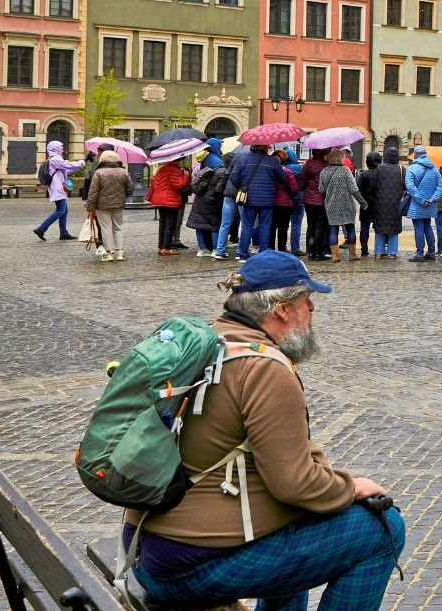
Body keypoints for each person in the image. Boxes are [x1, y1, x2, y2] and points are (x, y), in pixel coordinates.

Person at [124, 251, 404, 610]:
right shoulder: (264, 367)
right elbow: (295, 484)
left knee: (294, 524)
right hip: (187, 571)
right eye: (307, 300)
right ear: (282, 309)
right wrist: (351, 488)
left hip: (144, 549)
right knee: (384, 530)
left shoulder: (207, 340)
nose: (312, 310)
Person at [231, 145, 285, 260]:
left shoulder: (243, 159)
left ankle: (243, 254)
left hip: (249, 198)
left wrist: (243, 186)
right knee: (265, 226)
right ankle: (263, 253)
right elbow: (282, 177)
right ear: (265, 148)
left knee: (247, 226)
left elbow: (234, 177)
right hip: (267, 199)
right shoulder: (272, 161)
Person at [318, 148, 366, 262]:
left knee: (333, 229)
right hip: (347, 205)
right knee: (350, 228)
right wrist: (363, 203)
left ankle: (335, 255)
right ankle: (352, 254)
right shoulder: (345, 171)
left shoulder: (324, 171)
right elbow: (354, 189)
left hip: (331, 205)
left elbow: (321, 189)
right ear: (340, 159)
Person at [86, 150, 134, 261]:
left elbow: (93, 192)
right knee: (118, 227)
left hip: (102, 205)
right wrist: (122, 197)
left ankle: (108, 253)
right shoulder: (123, 172)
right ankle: (120, 252)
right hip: (118, 204)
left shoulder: (99, 172)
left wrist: (90, 207)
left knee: (105, 228)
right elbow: (130, 189)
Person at [34, 140, 83, 242]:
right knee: (60, 210)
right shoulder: (55, 159)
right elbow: (68, 165)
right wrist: (82, 162)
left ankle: (64, 233)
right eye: (61, 147)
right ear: (55, 148)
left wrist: (82, 163)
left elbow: (67, 169)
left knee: (64, 210)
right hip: (57, 187)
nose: (62, 148)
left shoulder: (54, 159)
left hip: (58, 187)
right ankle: (41, 229)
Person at [404, 146, 442, 262]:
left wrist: (421, 200)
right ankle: (431, 252)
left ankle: (420, 253)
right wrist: (433, 199)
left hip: (417, 205)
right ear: (425, 154)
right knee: (428, 226)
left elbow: (410, 187)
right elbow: (440, 186)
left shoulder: (411, 169)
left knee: (419, 228)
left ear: (415, 155)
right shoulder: (434, 169)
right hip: (430, 205)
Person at [366, 147, 404, 258]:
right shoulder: (401, 169)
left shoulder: (379, 168)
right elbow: (405, 186)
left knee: (379, 227)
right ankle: (392, 253)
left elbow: (372, 185)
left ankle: (378, 252)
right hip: (396, 204)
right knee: (394, 228)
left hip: (380, 203)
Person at [147, 159, 191, 256]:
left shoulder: (161, 169)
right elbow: (178, 185)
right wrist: (186, 176)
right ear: (178, 161)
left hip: (158, 200)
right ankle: (166, 248)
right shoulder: (174, 170)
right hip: (170, 200)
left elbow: (154, 185)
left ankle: (160, 247)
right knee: (170, 224)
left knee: (162, 223)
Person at [186, 155, 227, 258]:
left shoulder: (205, 172)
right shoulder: (222, 172)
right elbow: (219, 190)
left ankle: (202, 249)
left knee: (199, 225)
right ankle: (215, 249)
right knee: (214, 226)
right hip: (211, 202)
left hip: (199, 200)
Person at [298, 149, 330, 261]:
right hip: (321, 200)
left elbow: (302, 180)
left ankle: (310, 251)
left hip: (309, 199)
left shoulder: (308, 164)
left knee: (311, 225)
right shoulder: (326, 166)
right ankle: (319, 252)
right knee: (320, 226)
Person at [270, 149, 301, 256]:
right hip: (285, 204)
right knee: (283, 227)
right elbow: (295, 189)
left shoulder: (270, 172)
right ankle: (282, 250)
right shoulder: (287, 172)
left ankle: (270, 249)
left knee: (272, 227)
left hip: (272, 203)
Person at [212, 151, 240, 261]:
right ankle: (240, 252)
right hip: (239, 195)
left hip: (228, 195)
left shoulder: (226, 171)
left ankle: (219, 251)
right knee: (244, 224)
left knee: (225, 224)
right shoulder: (239, 169)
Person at [280, 147, 305, 256]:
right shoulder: (300, 168)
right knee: (296, 224)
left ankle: (282, 246)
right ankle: (295, 248)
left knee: (283, 225)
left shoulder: (281, 168)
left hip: (284, 199)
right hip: (298, 198)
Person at [356, 152, 380, 258]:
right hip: (378, 204)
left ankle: (364, 249)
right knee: (379, 228)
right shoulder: (381, 174)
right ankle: (379, 249)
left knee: (364, 228)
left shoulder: (363, 174)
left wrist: (362, 202)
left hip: (366, 204)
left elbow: (358, 189)